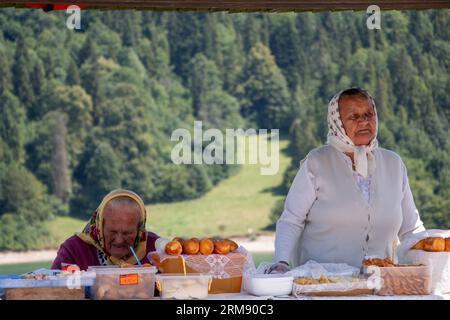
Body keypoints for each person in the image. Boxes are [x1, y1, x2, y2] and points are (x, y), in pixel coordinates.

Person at [270, 87, 425, 273]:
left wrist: (429, 263)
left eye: (369, 114)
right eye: (354, 117)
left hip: (383, 286)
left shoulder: (394, 164)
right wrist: (281, 263)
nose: (364, 121)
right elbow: (291, 221)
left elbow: (411, 231)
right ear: (337, 123)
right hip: (322, 284)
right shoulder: (316, 162)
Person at [51, 189, 159, 270]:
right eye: (112, 231)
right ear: (99, 226)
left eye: (127, 233)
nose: (119, 240)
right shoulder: (74, 250)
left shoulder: (156, 249)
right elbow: (51, 289)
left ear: (139, 229)